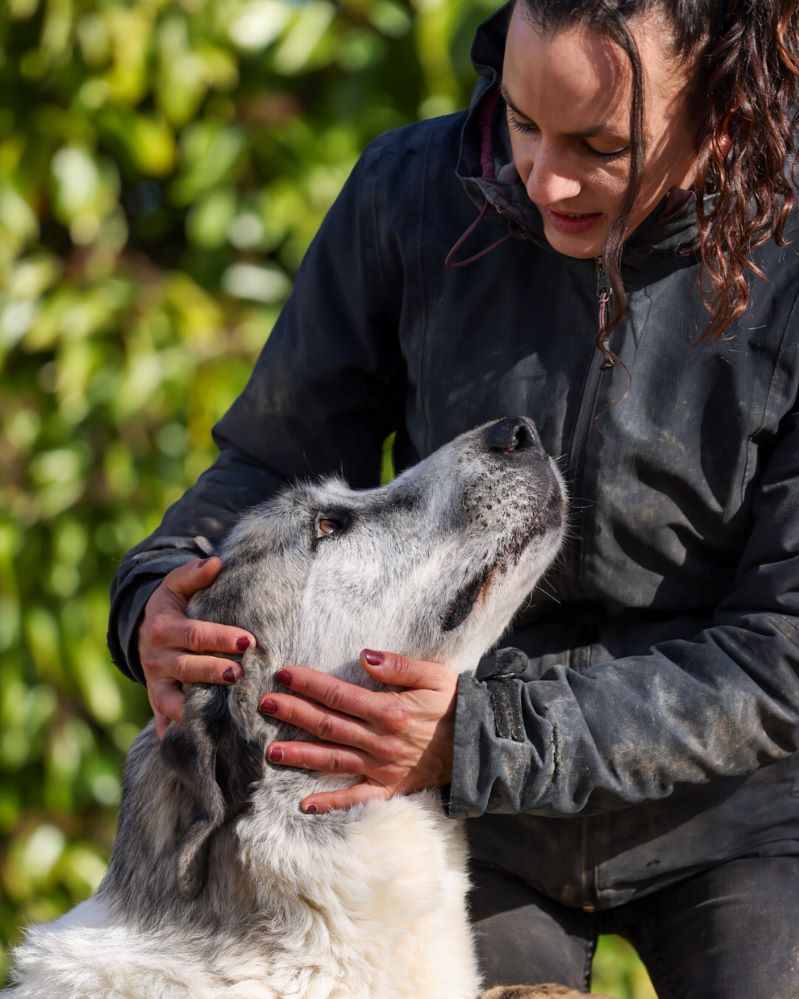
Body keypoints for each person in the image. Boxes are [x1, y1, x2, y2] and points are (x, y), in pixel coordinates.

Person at [108, 2, 799, 996]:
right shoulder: (407, 191)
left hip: (737, 815)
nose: (543, 177)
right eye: (520, 120)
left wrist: (481, 736)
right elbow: (272, 462)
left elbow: (782, 654)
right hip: (468, 819)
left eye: (599, 145)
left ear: (724, 110)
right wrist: (162, 588)